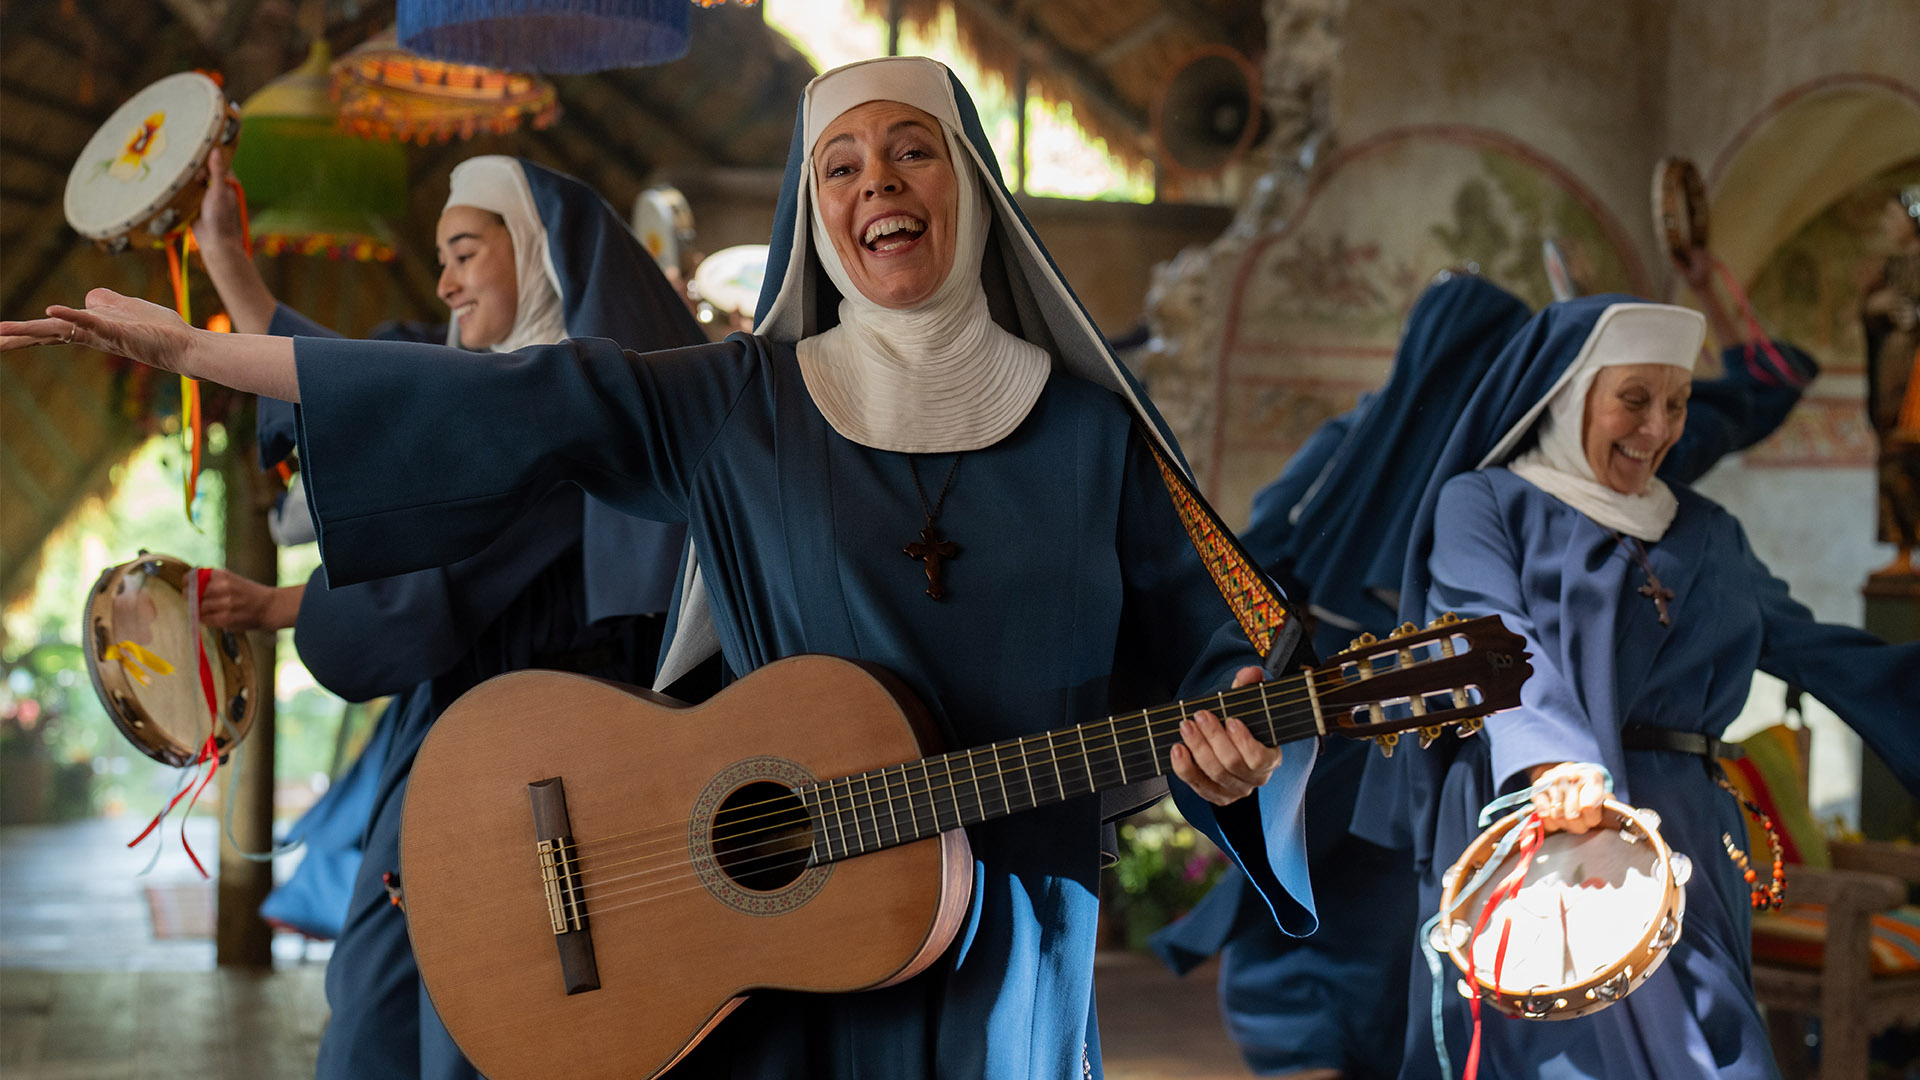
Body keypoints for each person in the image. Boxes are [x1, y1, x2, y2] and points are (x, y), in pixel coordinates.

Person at [4, 57, 1319, 1077]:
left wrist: (1234, 742)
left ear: (972, 184)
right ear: (817, 213)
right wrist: (200, 351)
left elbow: (1227, 642)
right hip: (782, 950)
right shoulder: (736, 400)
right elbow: (500, 402)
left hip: (1013, 946)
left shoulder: (1095, 433)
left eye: (914, 152)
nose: (879, 186)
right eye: (842, 167)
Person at [1153, 270, 1819, 1080]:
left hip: (1347, 730)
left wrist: (1251, 671)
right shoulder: (1488, 468)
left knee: (1353, 931)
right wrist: (1760, 359)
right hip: (1453, 736)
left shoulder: (1348, 444)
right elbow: (1719, 413)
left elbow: (1252, 560)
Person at [194, 151, 710, 1079]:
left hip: (527, 769)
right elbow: (368, 394)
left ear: (540, 250)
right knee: (397, 1014)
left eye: (466, 251)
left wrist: (293, 611)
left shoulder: (567, 410)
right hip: (475, 741)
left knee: (452, 1026)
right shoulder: (512, 395)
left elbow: (418, 594)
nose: (444, 282)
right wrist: (232, 268)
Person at [1354, 294, 1920, 1080]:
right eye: (1634, 400)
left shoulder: (1709, 531)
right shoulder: (1484, 504)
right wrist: (1553, 763)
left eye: (1679, 403)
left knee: (1720, 1060)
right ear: (1569, 393)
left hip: (1683, 831)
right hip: (1538, 821)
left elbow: (1821, 652)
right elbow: (1487, 633)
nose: (1658, 428)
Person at [1862, 187, 1920, 575]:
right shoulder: (1890, 268)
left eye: (1892, 216)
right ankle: (1902, 553)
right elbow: (1869, 309)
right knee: (1894, 462)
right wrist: (1875, 307)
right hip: (1893, 379)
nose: (1887, 225)